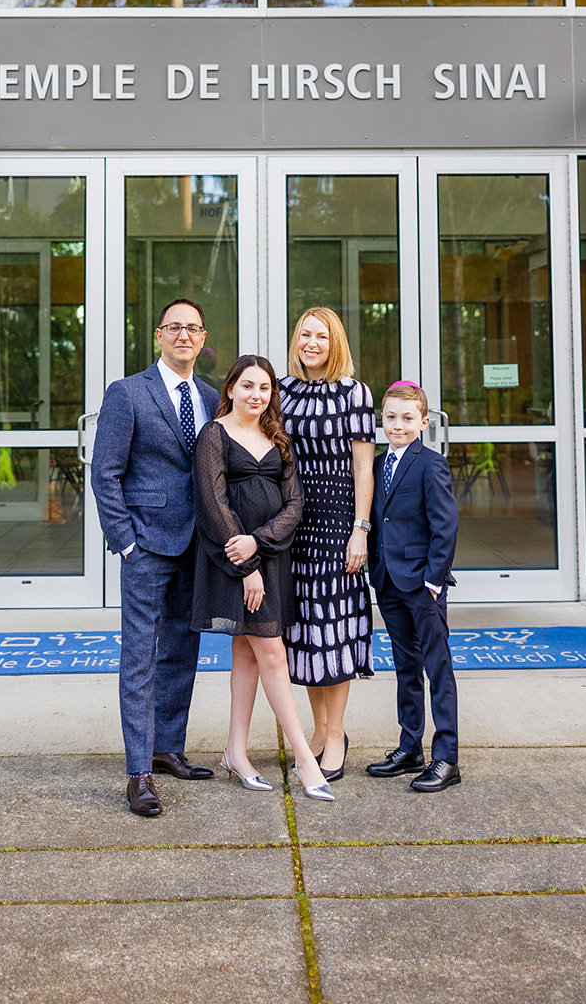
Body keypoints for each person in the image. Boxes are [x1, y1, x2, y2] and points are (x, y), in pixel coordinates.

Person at [89, 297, 220, 818]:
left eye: (193, 329)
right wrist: (124, 539)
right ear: (159, 335)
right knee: (140, 656)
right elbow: (106, 472)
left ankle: (168, 748)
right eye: (174, 327)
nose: (184, 335)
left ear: (203, 339)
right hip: (145, 544)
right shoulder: (127, 393)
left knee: (183, 652)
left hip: (197, 546)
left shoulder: (212, 396)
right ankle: (138, 771)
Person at [191, 355, 334, 802]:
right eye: (248, 386)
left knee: (247, 654)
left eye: (266, 388)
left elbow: (295, 504)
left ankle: (235, 750)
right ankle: (305, 758)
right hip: (233, 560)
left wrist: (261, 543)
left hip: (271, 557)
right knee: (271, 653)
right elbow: (214, 502)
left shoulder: (278, 437)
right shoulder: (213, 435)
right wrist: (245, 561)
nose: (257, 395)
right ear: (230, 388)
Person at [280, 306, 375, 781]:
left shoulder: (355, 393)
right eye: (304, 335)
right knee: (307, 633)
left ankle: (335, 734)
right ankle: (318, 731)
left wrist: (361, 528)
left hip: (338, 522)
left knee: (334, 630)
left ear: (335, 342)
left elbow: (363, 468)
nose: (311, 343)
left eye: (320, 335)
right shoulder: (283, 390)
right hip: (295, 521)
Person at [365, 382, 461, 793]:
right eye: (390, 417)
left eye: (407, 418)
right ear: (381, 419)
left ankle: (447, 757)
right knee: (405, 666)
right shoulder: (375, 463)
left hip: (422, 583)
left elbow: (445, 525)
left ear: (423, 422)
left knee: (437, 667)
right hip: (388, 579)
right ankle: (410, 747)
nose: (397, 425)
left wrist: (434, 580)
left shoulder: (430, 463)